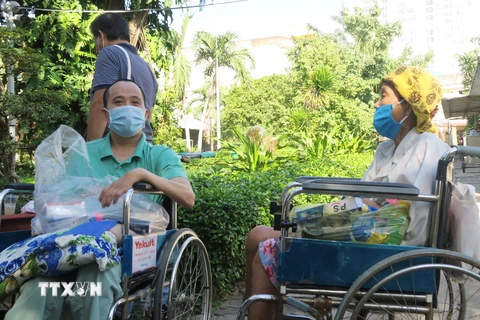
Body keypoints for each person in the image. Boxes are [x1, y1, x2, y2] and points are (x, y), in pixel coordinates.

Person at [244, 66, 450, 320]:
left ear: (407, 106)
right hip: (361, 234)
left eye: (383, 96)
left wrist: (371, 222)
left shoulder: (428, 147)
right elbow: (359, 197)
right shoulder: (386, 150)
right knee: (258, 236)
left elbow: (418, 223)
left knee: (265, 248)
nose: (376, 104)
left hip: (385, 253)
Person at [5, 79, 195, 320]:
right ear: (106, 114)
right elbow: (62, 201)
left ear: (146, 114)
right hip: (70, 245)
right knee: (39, 288)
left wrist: (140, 175)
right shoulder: (83, 153)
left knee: (94, 279)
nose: (127, 106)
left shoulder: (159, 155)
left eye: (134, 102)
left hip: (128, 252)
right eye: (118, 101)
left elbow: (187, 197)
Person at [87, 13, 158, 143]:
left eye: (95, 40)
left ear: (101, 35)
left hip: (117, 148)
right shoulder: (147, 68)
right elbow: (148, 116)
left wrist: (90, 151)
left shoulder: (110, 53)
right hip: (144, 146)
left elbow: (99, 104)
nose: (96, 47)